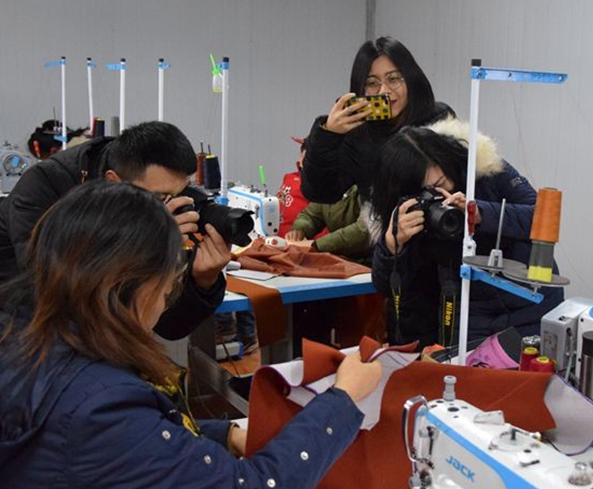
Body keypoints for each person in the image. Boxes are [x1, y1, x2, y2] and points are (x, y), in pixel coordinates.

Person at [0, 181, 382, 489]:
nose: (169, 292)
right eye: (169, 280)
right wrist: (343, 400)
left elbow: (137, 442)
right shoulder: (101, 406)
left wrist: (223, 435)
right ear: (132, 283)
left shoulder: (30, 342)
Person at [0, 120, 232, 340]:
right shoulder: (45, 188)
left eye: (179, 194)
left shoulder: (152, 202)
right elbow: (50, 295)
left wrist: (202, 280)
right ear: (113, 181)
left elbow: (166, 325)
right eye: (159, 197)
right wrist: (147, 244)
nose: (170, 206)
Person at [369, 121, 564, 346]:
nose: (439, 195)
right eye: (426, 193)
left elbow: (540, 216)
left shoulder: (484, 168)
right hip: (469, 313)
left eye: (441, 183)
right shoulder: (405, 211)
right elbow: (387, 287)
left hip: (531, 300)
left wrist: (479, 213)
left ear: (447, 160)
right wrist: (393, 246)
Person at [301, 36, 454, 205]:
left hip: (444, 216)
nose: (384, 91)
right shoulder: (358, 134)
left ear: (411, 78)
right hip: (384, 221)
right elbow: (320, 193)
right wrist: (328, 135)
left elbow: (465, 179)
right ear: (361, 89)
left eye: (393, 79)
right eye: (372, 83)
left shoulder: (439, 117)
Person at [285, 184, 372, 264]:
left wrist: (316, 245)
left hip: (371, 263)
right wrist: (299, 230)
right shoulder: (332, 184)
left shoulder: (372, 185)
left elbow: (364, 230)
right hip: (344, 260)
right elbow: (311, 215)